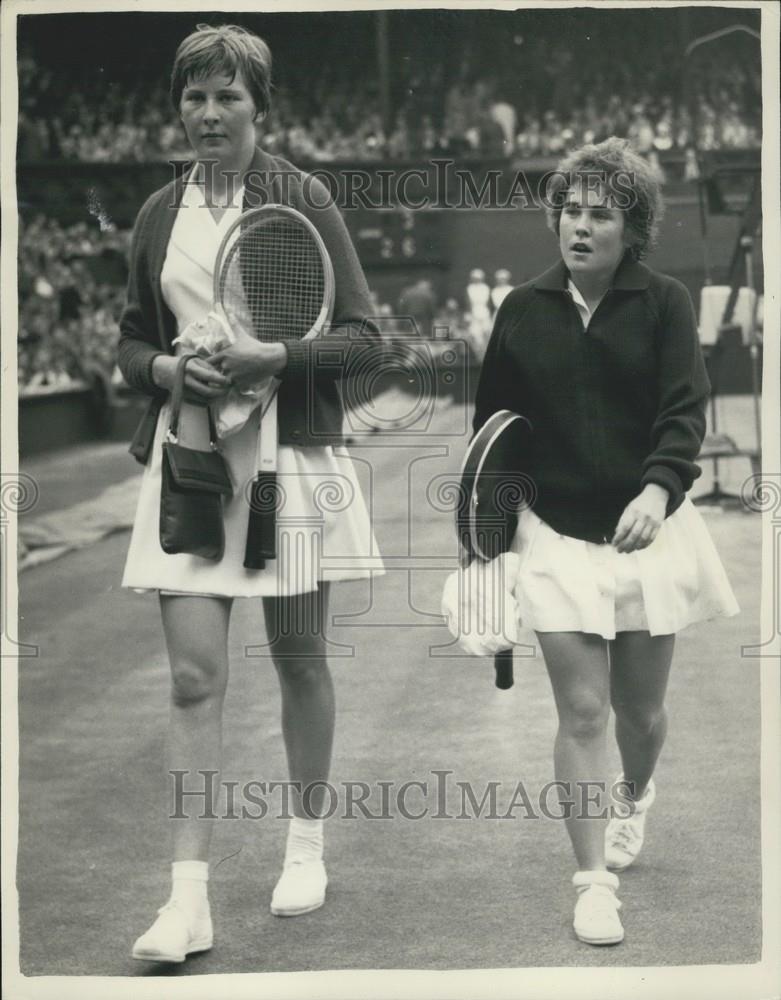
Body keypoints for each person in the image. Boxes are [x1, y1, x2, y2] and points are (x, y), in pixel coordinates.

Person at [118, 24, 384, 963]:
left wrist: (271, 354)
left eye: (227, 96)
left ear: (258, 109)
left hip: (291, 463)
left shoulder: (302, 198)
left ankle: (305, 845)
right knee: (194, 678)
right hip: (191, 456)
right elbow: (126, 342)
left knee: (299, 660)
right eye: (194, 96)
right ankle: (185, 901)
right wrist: (163, 368)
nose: (208, 113)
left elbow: (363, 338)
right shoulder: (158, 213)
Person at [472, 137, 738, 945]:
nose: (579, 228)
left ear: (632, 228)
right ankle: (591, 884)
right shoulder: (520, 309)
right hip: (554, 535)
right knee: (582, 710)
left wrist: (658, 489)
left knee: (639, 714)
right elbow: (494, 434)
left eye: (600, 215)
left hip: (647, 531)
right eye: (570, 212)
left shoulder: (662, 303)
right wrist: (487, 549)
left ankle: (634, 795)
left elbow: (684, 411)